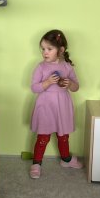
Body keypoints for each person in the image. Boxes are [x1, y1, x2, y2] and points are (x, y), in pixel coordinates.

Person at [29, 29, 82, 179]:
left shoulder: (67, 66)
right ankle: (36, 163)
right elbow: (34, 88)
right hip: (46, 106)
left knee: (63, 136)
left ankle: (66, 159)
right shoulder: (41, 67)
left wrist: (69, 84)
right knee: (43, 137)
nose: (45, 52)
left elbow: (76, 87)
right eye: (43, 49)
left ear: (61, 50)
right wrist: (47, 82)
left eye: (49, 49)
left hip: (62, 106)